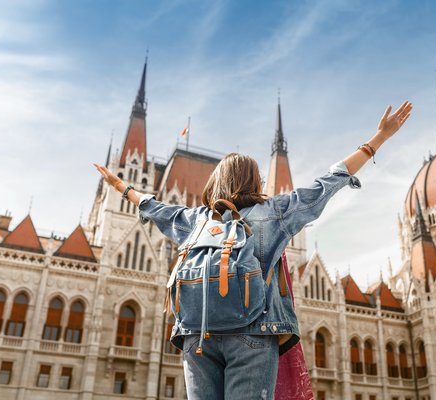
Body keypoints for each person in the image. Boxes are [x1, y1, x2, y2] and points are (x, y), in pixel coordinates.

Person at [94, 100, 412, 400]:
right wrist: (378, 139)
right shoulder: (274, 213)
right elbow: (328, 182)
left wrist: (122, 186)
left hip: (195, 334)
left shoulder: (194, 219)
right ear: (256, 183)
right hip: (252, 333)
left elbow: (152, 206)